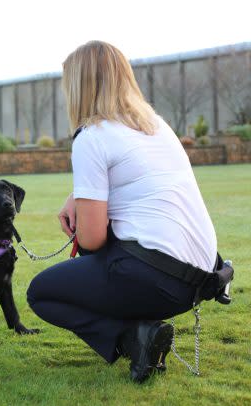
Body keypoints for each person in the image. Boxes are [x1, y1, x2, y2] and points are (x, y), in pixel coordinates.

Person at [26, 41, 221, 383]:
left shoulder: (92, 136)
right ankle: (141, 332)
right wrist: (79, 195)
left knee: (41, 292)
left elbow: (92, 239)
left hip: (156, 279)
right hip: (201, 277)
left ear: (79, 86)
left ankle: (133, 338)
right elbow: (136, 174)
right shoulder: (157, 126)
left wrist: (83, 218)